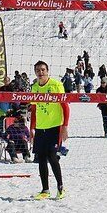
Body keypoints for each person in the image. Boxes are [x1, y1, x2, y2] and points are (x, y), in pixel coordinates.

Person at [29, 60, 69, 200]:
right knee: (41, 159)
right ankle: (45, 190)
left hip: (55, 127)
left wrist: (64, 126)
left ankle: (61, 188)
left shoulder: (56, 85)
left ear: (47, 71)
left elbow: (65, 106)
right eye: (38, 70)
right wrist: (32, 128)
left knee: (52, 157)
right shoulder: (34, 88)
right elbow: (33, 110)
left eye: (43, 70)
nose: (41, 72)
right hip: (40, 128)